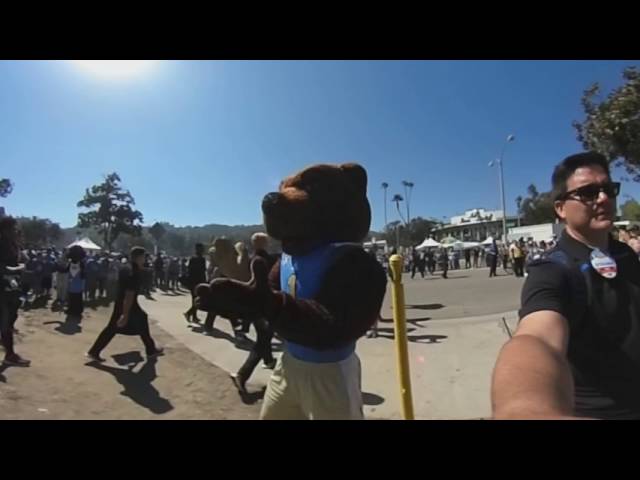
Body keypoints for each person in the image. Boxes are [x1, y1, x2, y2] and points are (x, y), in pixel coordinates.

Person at [492, 151, 640, 419]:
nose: (603, 198)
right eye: (588, 193)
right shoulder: (552, 269)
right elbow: (536, 338)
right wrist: (524, 408)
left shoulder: (625, 253)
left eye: (608, 189)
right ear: (560, 209)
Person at [87, 247, 163, 362]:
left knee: (140, 319)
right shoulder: (134, 273)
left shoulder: (125, 267)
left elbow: (138, 270)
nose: (144, 259)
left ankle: (150, 348)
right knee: (114, 326)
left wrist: (144, 269)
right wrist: (125, 314)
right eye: (143, 257)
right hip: (128, 302)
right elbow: (129, 294)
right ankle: (94, 351)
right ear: (139, 257)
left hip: (120, 300)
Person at [230, 233, 278, 394]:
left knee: (264, 339)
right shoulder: (264, 260)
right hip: (265, 307)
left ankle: (269, 362)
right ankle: (242, 375)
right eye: (268, 241)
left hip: (258, 307)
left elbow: (252, 283)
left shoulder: (254, 259)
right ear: (265, 243)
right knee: (263, 341)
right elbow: (264, 285)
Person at [0, 217, 30, 366]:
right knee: (5, 323)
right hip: (2, 290)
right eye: (14, 229)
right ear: (5, 230)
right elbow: (3, 269)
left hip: (11, 289)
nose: (16, 231)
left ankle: (8, 350)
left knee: (9, 321)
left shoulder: (12, 244)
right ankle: (10, 355)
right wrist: (19, 268)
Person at [183, 243, 207, 323]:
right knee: (198, 300)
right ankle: (189, 313)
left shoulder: (192, 259)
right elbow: (203, 271)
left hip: (192, 282)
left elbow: (189, 270)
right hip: (198, 282)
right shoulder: (201, 259)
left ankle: (194, 316)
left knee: (194, 299)